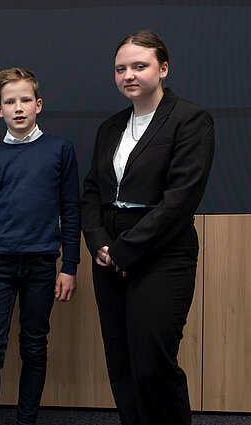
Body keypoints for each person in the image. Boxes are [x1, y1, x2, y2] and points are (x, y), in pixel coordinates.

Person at [81, 31, 215, 425]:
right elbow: (92, 192)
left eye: (140, 66)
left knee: (152, 362)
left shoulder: (190, 120)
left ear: (163, 69)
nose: (129, 75)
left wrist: (126, 250)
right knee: (120, 361)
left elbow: (181, 200)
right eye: (121, 68)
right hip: (109, 252)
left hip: (162, 252)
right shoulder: (110, 127)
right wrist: (101, 245)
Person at [0, 68, 81, 425]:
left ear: (38, 104)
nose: (19, 108)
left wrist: (70, 266)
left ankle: (26, 420)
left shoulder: (60, 151)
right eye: (10, 102)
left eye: (25, 100)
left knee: (34, 346)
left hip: (42, 265)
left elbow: (71, 211)